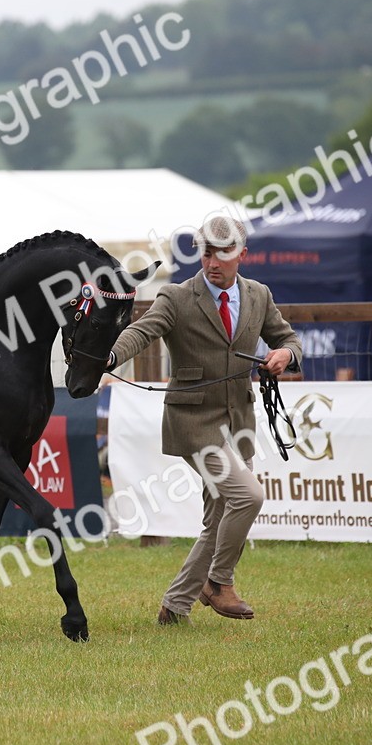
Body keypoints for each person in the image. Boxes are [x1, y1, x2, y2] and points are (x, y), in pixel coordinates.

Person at [108, 215, 301, 625]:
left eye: (224, 253)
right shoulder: (177, 297)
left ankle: (174, 608)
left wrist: (285, 355)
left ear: (242, 255)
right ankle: (218, 582)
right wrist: (107, 359)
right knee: (248, 496)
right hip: (194, 423)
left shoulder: (258, 295)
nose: (213, 262)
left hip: (240, 424)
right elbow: (142, 332)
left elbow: (288, 339)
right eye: (207, 252)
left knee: (217, 521)